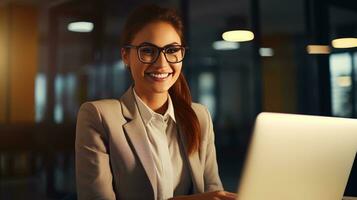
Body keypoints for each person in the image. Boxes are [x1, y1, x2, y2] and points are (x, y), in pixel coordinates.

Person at [75, 4, 237, 200]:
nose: (162, 63)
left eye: (172, 50)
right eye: (148, 51)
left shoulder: (199, 116)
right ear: (125, 56)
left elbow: (213, 190)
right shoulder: (99, 117)